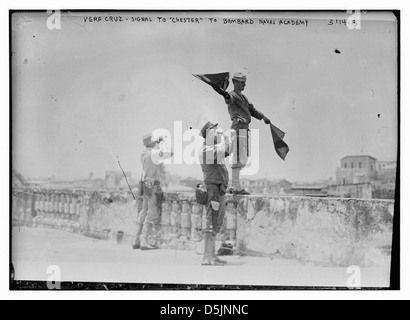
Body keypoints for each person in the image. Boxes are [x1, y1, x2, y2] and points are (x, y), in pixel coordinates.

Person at [224, 72, 272, 195]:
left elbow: (252, 109)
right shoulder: (232, 95)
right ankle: (234, 186)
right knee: (238, 156)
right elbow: (228, 99)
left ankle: (235, 185)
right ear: (235, 82)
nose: (244, 84)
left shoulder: (244, 98)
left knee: (243, 157)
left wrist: (263, 117)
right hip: (238, 127)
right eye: (242, 82)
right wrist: (226, 95)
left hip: (244, 129)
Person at [199, 121, 235, 265]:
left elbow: (228, 150)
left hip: (219, 190)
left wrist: (229, 137)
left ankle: (211, 255)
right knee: (210, 223)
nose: (217, 131)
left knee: (216, 224)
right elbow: (224, 149)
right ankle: (207, 257)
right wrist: (226, 136)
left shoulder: (214, 149)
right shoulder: (205, 150)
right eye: (214, 129)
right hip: (212, 190)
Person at [133, 134, 173, 251]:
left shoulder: (143, 153)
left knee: (143, 212)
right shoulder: (154, 153)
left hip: (145, 184)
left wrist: (156, 144)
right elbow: (170, 152)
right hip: (152, 186)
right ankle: (144, 241)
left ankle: (136, 240)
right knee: (151, 214)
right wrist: (163, 142)